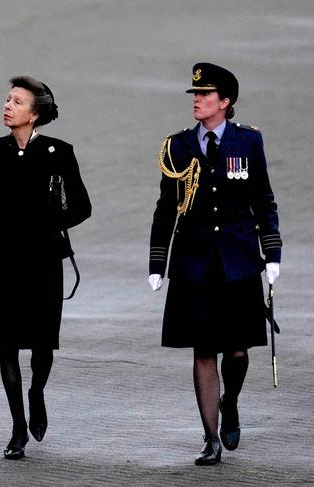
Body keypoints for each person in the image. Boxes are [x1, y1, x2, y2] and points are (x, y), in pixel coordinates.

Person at [148, 62, 282, 465]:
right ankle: (211, 439)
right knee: (203, 351)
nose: (197, 101)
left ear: (225, 102)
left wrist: (272, 253)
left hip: (239, 261)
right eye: (194, 94)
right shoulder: (177, 146)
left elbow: (264, 201)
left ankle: (231, 402)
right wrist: (158, 263)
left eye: (205, 95)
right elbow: (165, 210)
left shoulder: (248, 143)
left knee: (237, 352)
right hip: (194, 264)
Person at [0, 76, 91, 459]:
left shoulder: (59, 152)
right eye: (7, 99)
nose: (7, 106)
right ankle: (17, 427)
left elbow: (82, 206)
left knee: (43, 345)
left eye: (16, 101)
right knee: (7, 344)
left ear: (35, 114)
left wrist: (49, 222)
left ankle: (37, 392)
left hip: (45, 261)